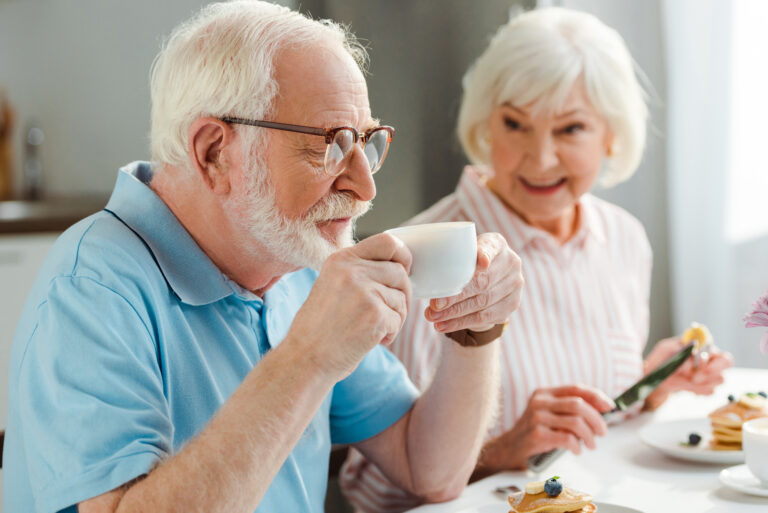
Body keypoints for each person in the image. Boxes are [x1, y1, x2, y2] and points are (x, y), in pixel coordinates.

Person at [1, 2, 525, 512]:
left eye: (365, 141)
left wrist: (474, 331)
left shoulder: (290, 258)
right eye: (330, 144)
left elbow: (428, 469)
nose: (365, 186)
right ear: (214, 152)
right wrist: (309, 357)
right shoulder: (92, 287)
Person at [340, 7, 733, 512]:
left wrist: (649, 387)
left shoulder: (625, 240)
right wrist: (501, 451)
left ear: (612, 134)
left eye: (570, 130)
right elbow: (368, 490)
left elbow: (591, 433)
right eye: (515, 124)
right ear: (485, 123)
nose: (540, 157)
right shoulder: (422, 256)